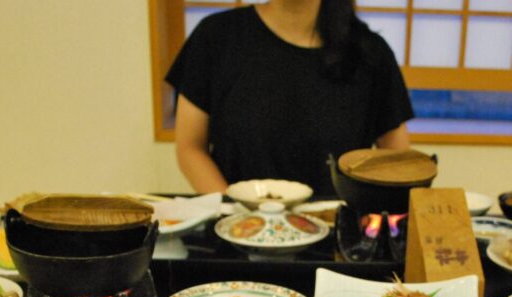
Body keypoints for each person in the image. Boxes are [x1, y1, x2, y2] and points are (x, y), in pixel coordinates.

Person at [165, 0, 414, 197]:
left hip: (337, 247)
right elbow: (190, 147)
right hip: (236, 240)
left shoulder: (370, 53)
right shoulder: (216, 37)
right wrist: (232, 211)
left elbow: (397, 161)